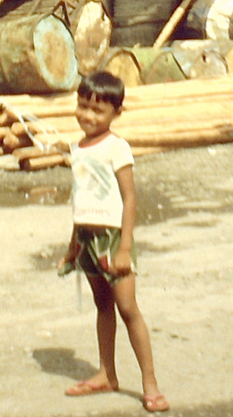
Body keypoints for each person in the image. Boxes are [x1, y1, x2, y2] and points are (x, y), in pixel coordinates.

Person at [58, 72, 168, 413]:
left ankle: (150, 384)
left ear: (115, 113)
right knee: (103, 306)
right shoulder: (77, 148)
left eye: (98, 111)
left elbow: (130, 198)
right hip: (88, 237)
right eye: (83, 106)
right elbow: (81, 200)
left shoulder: (117, 147)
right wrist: (72, 247)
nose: (88, 116)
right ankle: (107, 373)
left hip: (112, 239)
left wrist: (124, 247)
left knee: (128, 309)